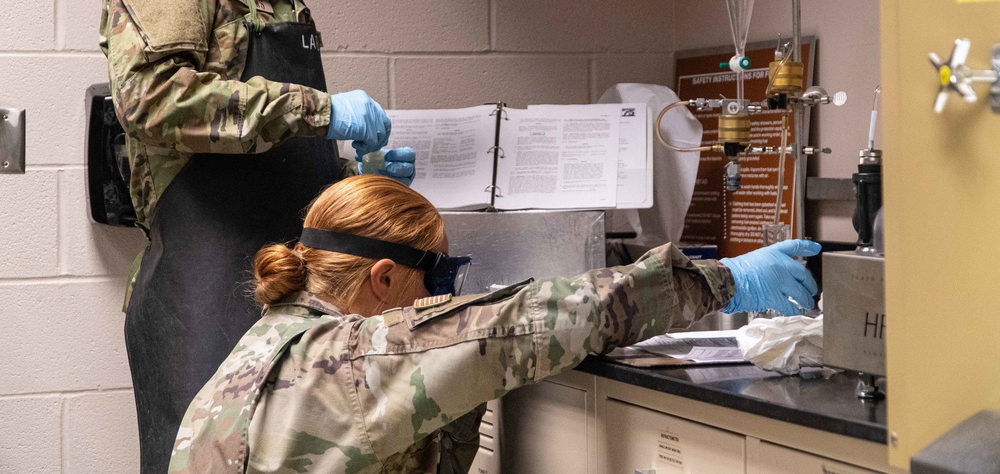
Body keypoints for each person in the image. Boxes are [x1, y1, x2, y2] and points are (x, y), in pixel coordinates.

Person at [98, 0, 414, 472]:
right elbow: (152, 103)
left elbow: (280, 152)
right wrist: (321, 110)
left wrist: (356, 172)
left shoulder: (283, 2)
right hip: (199, 302)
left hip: (288, 299)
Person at [168, 175, 820, 473]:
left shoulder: (260, 349)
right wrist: (724, 279)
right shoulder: (351, 361)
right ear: (385, 278)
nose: (440, 303)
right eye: (439, 284)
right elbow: (529, 323)